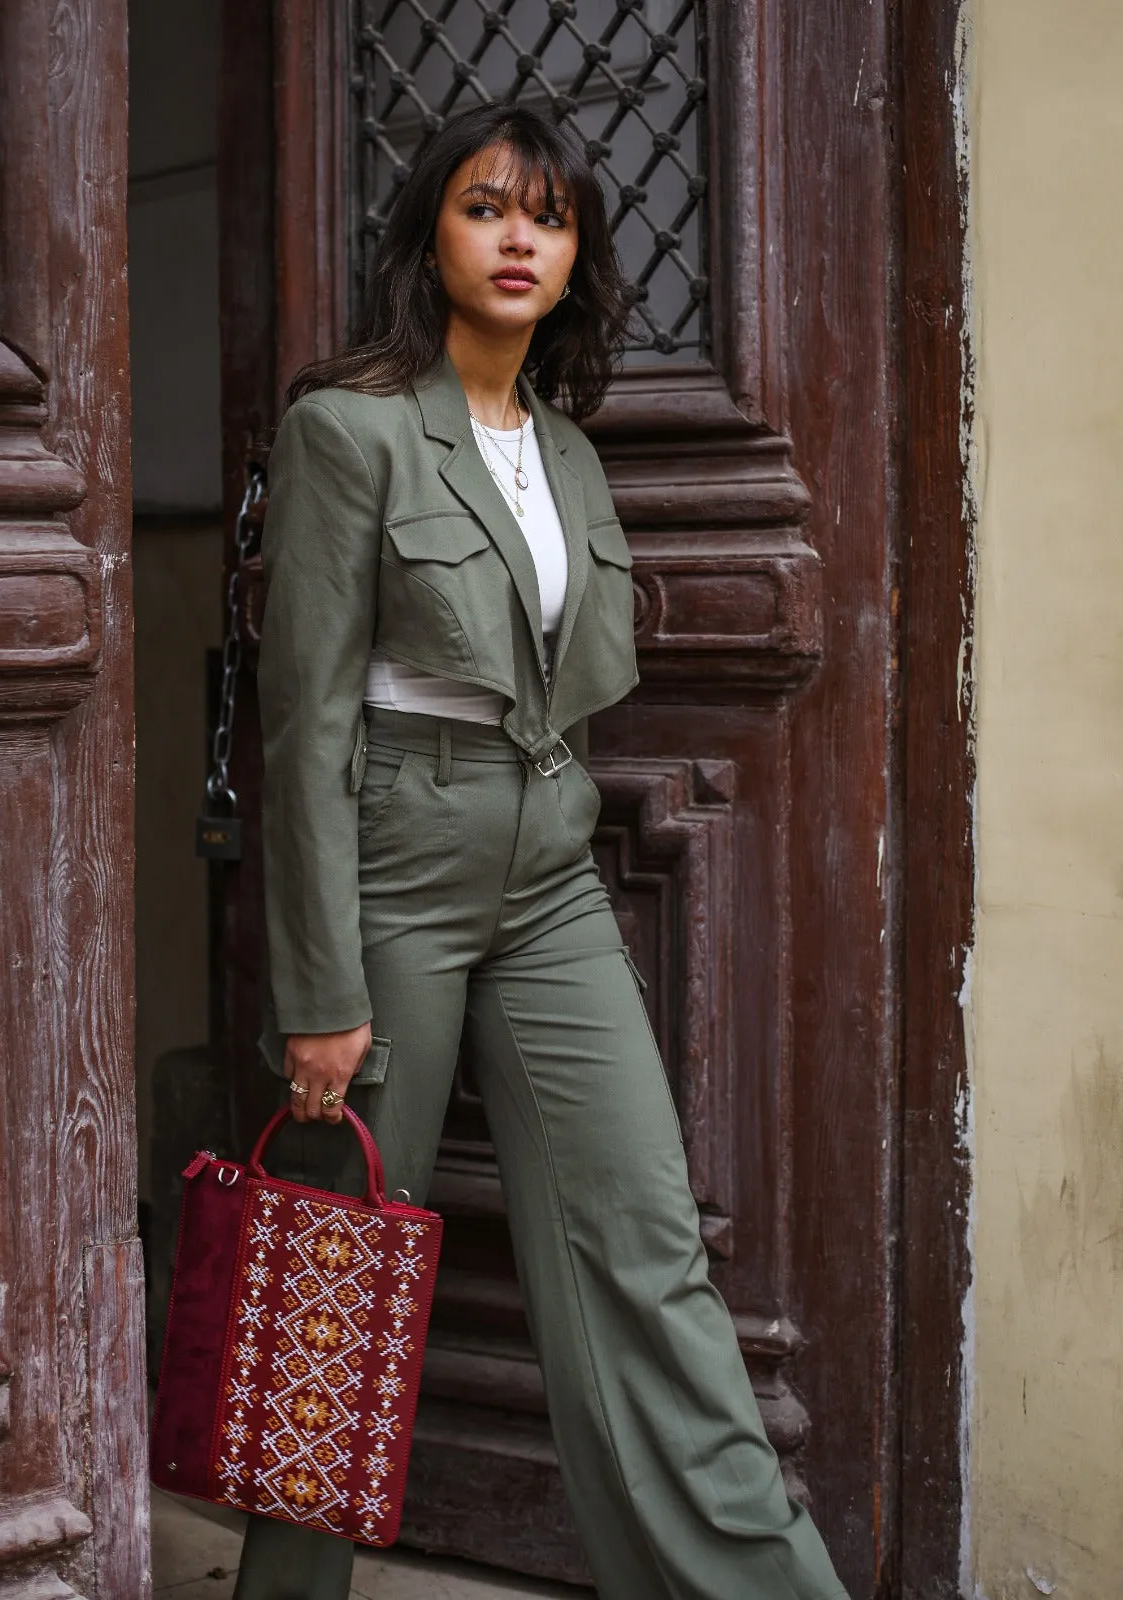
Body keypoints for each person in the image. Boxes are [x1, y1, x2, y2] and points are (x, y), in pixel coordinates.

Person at [233, 102, 849, 1600]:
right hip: (395, 856)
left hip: (553, 867)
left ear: (579, 254)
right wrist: (318, 983)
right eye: (488, 207)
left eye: (552, 216)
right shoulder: (349, 428)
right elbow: (304, 725)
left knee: (644, 1243)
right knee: (340, 1279)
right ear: (427, 235)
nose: (521, 239)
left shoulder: (568, 451)